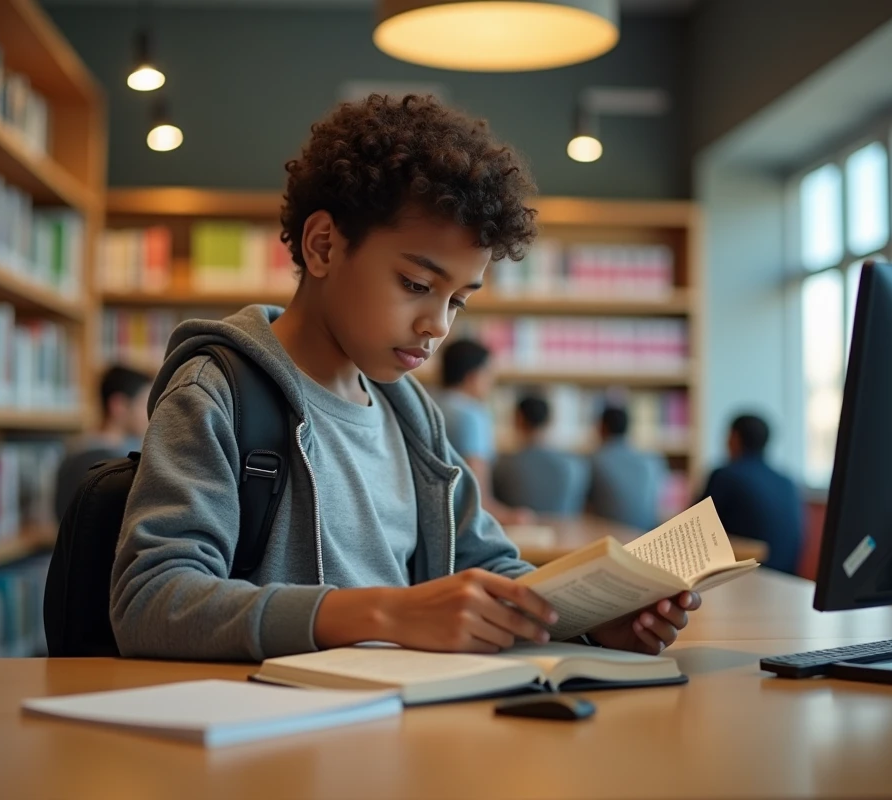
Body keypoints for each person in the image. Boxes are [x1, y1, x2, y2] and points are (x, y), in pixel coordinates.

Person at [110, 94, 699, 663]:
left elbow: (489, 566)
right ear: (322, 246)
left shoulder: (410, 414)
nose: (437, 325)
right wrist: (386, 613)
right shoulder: (217, 392)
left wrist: (590, 622)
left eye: (458, 301)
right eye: (417, 285)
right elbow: (151, 599)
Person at [435, 339, 533, 524]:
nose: (491, 382)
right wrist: (512, 517)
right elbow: (478, 498)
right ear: (473, 376)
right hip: (459, 525)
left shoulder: (426, 404)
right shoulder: (472, 414)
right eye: (489, 374)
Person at [698, 414, 803, 574]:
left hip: (747, 579)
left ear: (735, 438)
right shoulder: (787, 481)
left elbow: (693, 526)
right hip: (788, 579)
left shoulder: (726, 475)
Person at [54, 365, 152, 520]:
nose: (150, 413)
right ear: (119, 406)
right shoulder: (106, 464)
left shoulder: (75, 449)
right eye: (144, 404)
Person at [493, 395, 588, 515]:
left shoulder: (502, 466)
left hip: (518, 532)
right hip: (566, 532)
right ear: (549, 421)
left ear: (519, 419)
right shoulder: (575, 466)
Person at [588, 405, 669, 531]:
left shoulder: (595, 461)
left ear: (602, 427)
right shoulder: (653, 461)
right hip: (646, 535)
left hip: (608, 536)